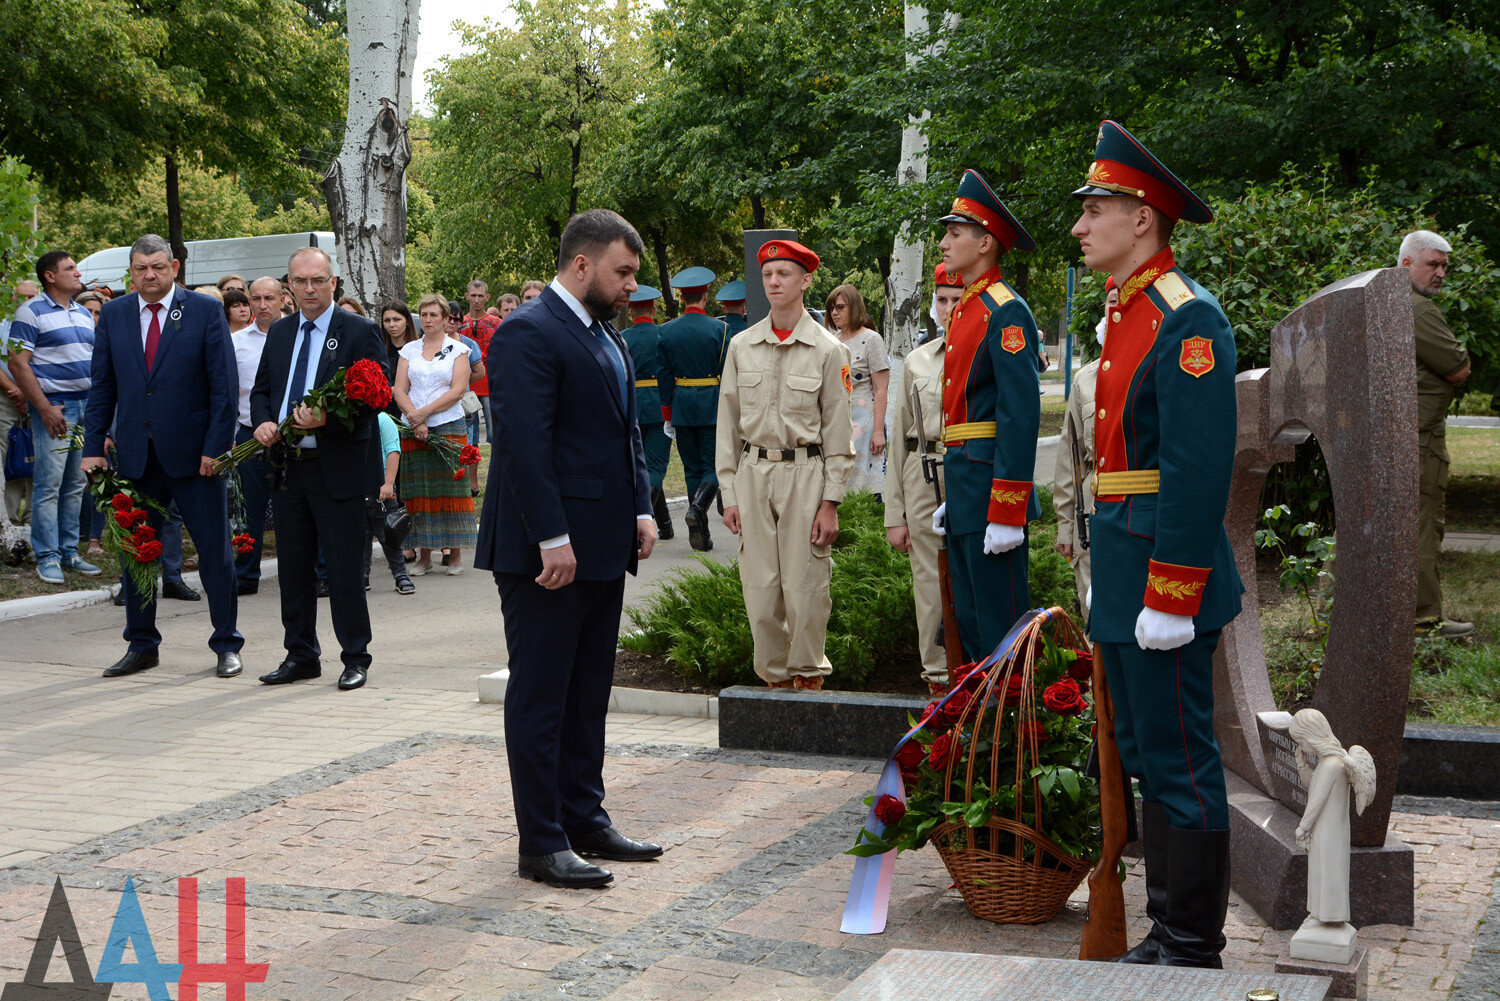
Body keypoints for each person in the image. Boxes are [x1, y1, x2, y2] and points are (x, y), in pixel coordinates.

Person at [1069, 119, 1244, 968]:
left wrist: (1170, 594)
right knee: (1143, 752)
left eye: (1095, 207)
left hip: (1165, 575)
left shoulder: (1187, 316)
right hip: (1127, 562)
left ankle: (1192, 940)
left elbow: (1198, 471)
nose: (1080, 225)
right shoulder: (1127, 313)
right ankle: (1167, 926)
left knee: (1178, 758)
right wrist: (1111, 574)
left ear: (1143, 217)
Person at [474, 208, 662, 889]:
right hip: (544, 551)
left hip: (605, 544)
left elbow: (626, 432)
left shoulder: (605, 335)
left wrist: (642, 505)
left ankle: (585, 816)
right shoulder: (527, 333)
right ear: (581, 264)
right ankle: (542, 840)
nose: (629, 286)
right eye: (622, 272)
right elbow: (524, 443)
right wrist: (552, 535)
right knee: (542, 694)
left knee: (588, 692)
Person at [82, 234, 242, 678]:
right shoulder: (113, 315)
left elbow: (223, 387)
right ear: (130, 272)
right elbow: (103, 387)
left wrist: (216, 447)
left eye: (157, 267)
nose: (149, 275)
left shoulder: (205, 310)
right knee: (137, 553)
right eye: (140, 269)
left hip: (196, 458)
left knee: (214, 553)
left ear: (173, 267)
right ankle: (141, 644)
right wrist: (93, 447)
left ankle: (227, 644)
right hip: (134, 457)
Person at [717, 239, 854, 691]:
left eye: (785, 274)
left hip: (805, 476)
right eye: (768, 274)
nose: (774, 282)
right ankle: (774, 684)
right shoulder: (741, 345)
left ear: (806, 281)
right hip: (754, 473)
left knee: (805, 588)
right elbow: (728, 426)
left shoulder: (828, 350)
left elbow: (838, 433)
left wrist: (830, 501)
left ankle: (807, 677)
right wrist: (730, 493)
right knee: (759, 589)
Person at [250, 246, 386, 691]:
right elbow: (262, 391)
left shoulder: (359, 330)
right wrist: (264, 421)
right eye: (300, 281)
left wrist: (329, 418)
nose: (309, 288)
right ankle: (301, 654)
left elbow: (376, 395)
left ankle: (355, 656)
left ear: (333, 282)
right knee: (293, 567)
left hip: (338, 467)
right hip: (288, 466)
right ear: (289, 284)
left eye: (317, 280)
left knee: (344, 569)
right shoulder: (281, 331)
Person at [931, 169, 1042, 661]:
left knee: (1002, 629)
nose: (943, 241)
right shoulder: (968, 308)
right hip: (966, 485)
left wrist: (1007, 508)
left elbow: (1019, 415)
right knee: (972, 623)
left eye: (955, 232)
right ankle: (978, 728)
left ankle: (1015, 732)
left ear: (985, 243)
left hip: (990, 492)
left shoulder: (1004, 310)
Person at [885, 264, 963, 694]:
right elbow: (899, 437)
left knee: (973, 575)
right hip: (923, 470)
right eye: (941, 300)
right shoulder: (918, 360)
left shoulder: (984, 350)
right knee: (929, 581)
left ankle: (975, 671)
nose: (948, 308)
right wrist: (894, 512)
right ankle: (937, 677)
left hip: (970, 470)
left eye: (956, 298)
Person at [10, 251, 101, 583]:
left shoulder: (80, 312)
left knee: (76, 483)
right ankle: (46, 556)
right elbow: (18, 363)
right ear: (50, 276)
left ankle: (69, 552)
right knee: (49, 484)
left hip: (85, 406)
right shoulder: (30, 311)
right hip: (56, 409)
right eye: (70, 268)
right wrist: (45, 408)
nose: (78, 273)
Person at [1401, 229, 1472, 638]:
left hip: (1387, 437)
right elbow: (1459, 368)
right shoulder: (1419, 311)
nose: (1441, 273)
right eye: (1433, 264)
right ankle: (1424, 620)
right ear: (1407, 263)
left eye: (1445, 266)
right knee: (1423, 524)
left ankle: (1338, 604)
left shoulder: (1378, 300)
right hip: (1421, 439)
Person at [395, 294, 477, 576]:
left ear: (445, 318)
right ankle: (424, 556)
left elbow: (457, 391)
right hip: (414, 429)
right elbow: (399, 389)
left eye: (433, 315)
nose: (428, 320)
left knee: (450, 490)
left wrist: (423, 414)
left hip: (448, 425)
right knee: (420, 491)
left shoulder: (459, 350)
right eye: (424, 314)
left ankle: (454, 555)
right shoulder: (408, 350)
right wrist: (414, 418)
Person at [658, 266, 729, 551]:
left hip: (683, 404)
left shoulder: (666, 331)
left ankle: (700, 533)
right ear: (706, 294)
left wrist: (667, 414)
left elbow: (664, 377)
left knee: (690, 469)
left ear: (682, 296)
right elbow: (728, 376)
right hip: (713, 404)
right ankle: (698, 509)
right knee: (714, 466)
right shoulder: (720, 329)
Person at [1052, 279, 1114, 609]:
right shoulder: (1085, 380)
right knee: (1095, 622)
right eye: (1112, 301)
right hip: (1092, 512)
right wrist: (1065, 526)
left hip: (1144, 514)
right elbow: (1069, 457)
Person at [230, 277, 282, 595]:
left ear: (282, 300)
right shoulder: (236, 343)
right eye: (256, 298)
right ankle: (246, 575)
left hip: (295, 435)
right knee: (249, 511)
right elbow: (227, 393)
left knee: (299, 508)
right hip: (251, 436)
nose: (262, 305)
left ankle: (313, 572)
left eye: (269, 298)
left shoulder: (297, 336)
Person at [824, 284, 890, 496]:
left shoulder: (872, 339)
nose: (835, 312)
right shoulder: (831, 341)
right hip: (837, 424)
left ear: (854, 307)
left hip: (867, 425)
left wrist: (878, 431)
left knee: (867, 490)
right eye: (831, 308)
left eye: (841, 307)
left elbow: (881, 389)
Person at [624, 285, 673, 539]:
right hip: (660, 404)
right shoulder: (664, 334)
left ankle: (665, 524)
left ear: (631, 311)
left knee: (641, 466)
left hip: (632, 406)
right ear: (654, 310)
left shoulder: (622, 337)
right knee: (654, 466)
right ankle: (641, 518)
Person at [0, 279, 40, 528]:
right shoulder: (3, 324)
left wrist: (29, 393)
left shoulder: (41, 323)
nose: (25, 303)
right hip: (6, 399)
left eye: (31, 298)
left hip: (40, 399)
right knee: (10, 456)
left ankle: (34, 521)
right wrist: (14, 390)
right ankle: (10, 521)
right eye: (20, 297)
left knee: (39, 459)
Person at [365, 409, 415, 594]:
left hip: (382, 487)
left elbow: (393, 450)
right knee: (361, 535)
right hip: (358, 488)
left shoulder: (383, 419)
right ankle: (362, 574)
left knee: (389, 535)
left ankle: (400, 574)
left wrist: (388, 483)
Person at [459, 280, 501, 446]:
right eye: (473, 295)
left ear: (487, 297)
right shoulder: (459, 324)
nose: (476, 300)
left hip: (491, 385)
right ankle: (472, 474)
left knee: (495, 434)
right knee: (470, 437)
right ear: (466, 296)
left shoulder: (497, 324)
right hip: (467, 385)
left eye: (480, 296)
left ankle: (496, 472)